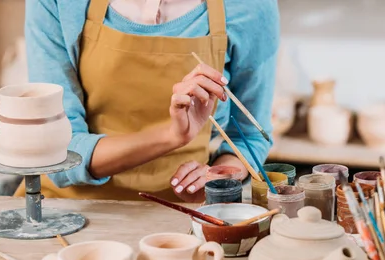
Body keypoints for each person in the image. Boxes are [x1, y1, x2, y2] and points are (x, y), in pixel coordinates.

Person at [17, 0, 279, 202]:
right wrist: (171, 136)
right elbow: (57, 154)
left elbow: (250, 136)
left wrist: (215, 180)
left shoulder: (251, 7)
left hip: (182, 217)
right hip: (64, 211)